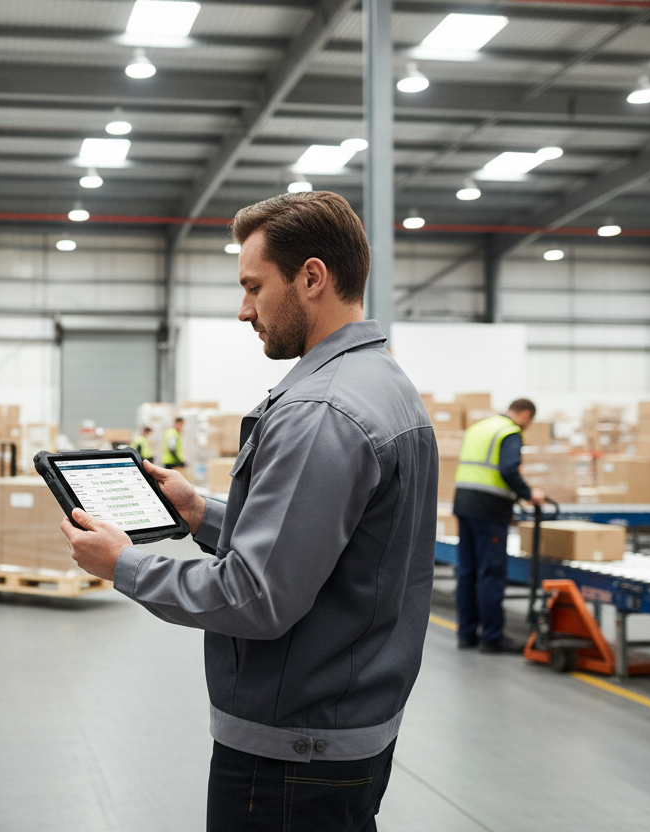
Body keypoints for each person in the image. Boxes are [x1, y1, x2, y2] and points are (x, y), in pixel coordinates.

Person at [61, 191, 436, 832]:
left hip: (292, 754)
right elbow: (330, 545)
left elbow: (255, 596)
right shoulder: (384, 383)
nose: (244, 310)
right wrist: (199, 512)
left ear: (312, 278)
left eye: (253, 286)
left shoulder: (320, 412)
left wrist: (123, 564)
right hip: (351, 727)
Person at [453, 399, 545, 653]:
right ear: (525, 414)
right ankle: (492, 636)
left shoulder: (479, 427)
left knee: (467, 572)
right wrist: (528, 494)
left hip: (463, 503)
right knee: (490, 572)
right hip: (489, 509)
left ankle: (466, 634)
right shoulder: (509, 432)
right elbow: (508, 469)